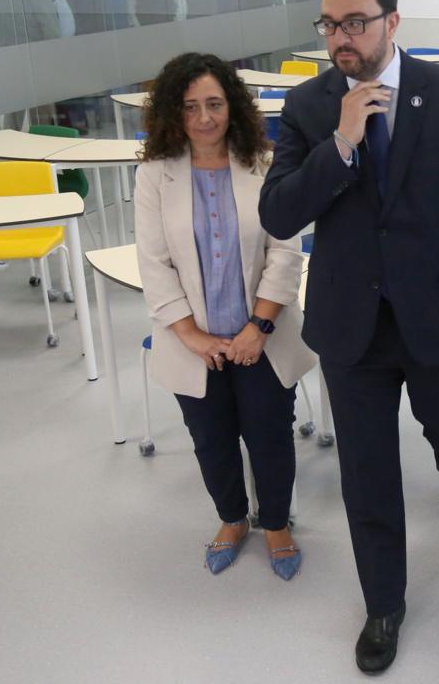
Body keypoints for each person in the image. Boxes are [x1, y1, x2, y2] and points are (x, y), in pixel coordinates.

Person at [258, 0, 439, 674]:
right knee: (366, 472)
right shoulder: (308, 107)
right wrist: (339, 144)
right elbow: (279, 212)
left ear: (392, 23)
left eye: (356, 22)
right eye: (330, 24)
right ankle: (384, 605)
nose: (341, 37)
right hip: (352, 326)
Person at [134, 52, 317, 582]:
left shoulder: (265, 162)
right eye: (190, 107)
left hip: (260, 336)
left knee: (269, 436)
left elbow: (286, 250)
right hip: (194, 343)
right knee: (210, 439)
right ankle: (233, 520)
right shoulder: (154, 176)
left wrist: (257, 328)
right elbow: (154, 261)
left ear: (233, 107)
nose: (205, 118)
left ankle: (278, 524)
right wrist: (190, 335)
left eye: (214, 104)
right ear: (174, 113)